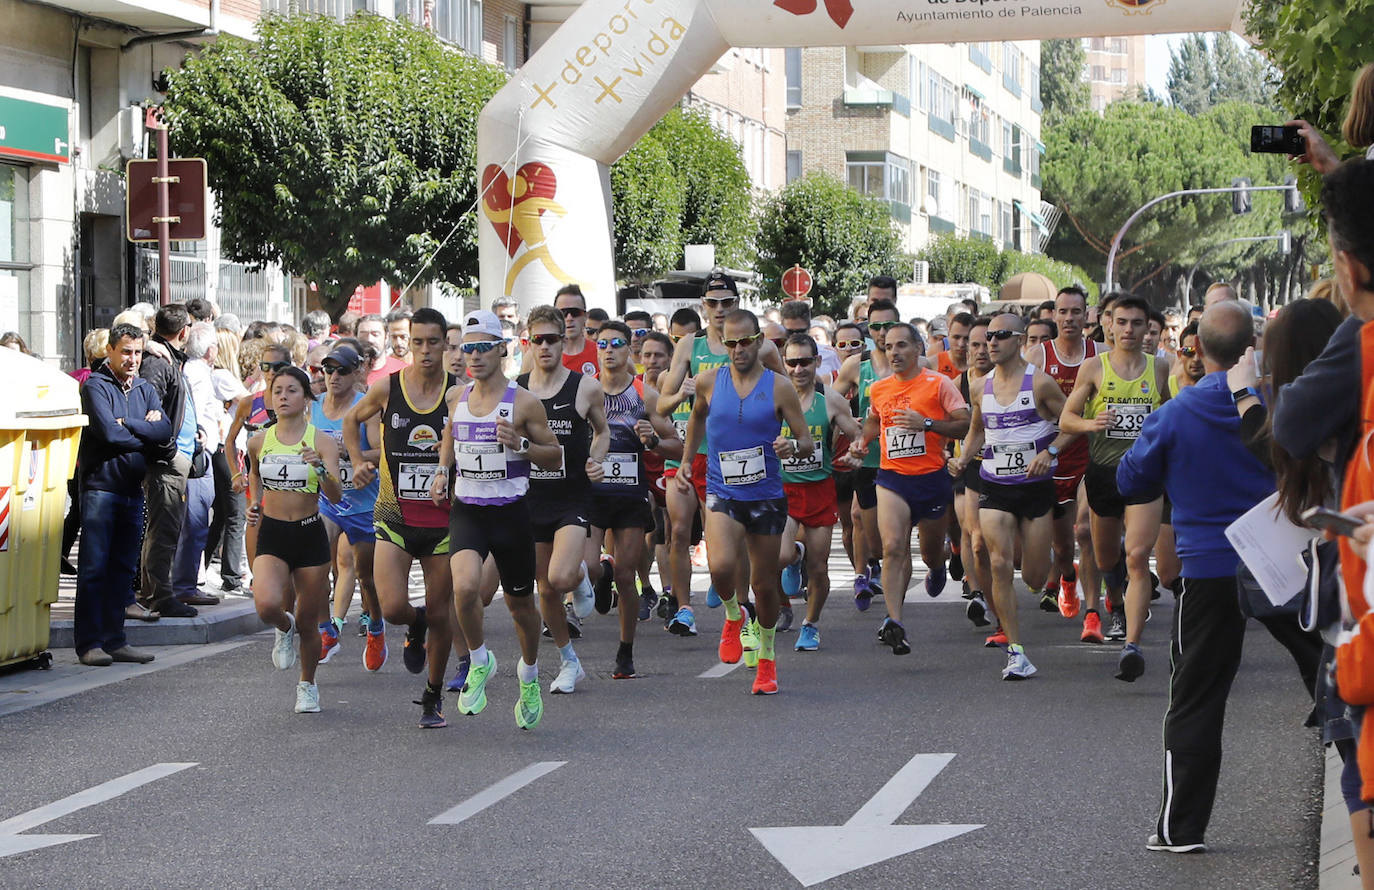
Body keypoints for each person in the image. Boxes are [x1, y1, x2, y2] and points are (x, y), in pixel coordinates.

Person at [1117, 301, 1319, 853]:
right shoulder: (1276, 403)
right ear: (1252, 346)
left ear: (1197, 350)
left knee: (1196, 697)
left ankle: (1181, 829)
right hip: (1285, 560)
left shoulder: (1177, 412)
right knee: (1327, 670)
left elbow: (1131, 480)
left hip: (1207, 567)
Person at [433, 309, 565, 730]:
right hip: (469, 508)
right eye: (465, 348)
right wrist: (441, 471)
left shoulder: (524, 402)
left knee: (521, 605)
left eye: (481, 348)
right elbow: (450, 440)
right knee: (465, 587)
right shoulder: (457, 397)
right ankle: (479, 659)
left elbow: (555, 455)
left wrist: (522, 444)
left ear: (501, 351)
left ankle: (528, 674)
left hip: (511, 511)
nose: (472, 356)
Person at [677, 309, 814, 694]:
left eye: (745, 341)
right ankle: (734, 616)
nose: (738, 349)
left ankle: (767, 659)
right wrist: (687, 460)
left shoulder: (778, 386)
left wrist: (791, 446)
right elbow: (696, 420)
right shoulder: (708, 382)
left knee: (764, 585)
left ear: (759, 342)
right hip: (723, 491)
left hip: (766, 496)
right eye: (730, 342)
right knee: (720, 567)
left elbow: (805, 441)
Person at [344, 309, 457, 726]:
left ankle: (433, 695)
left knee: (444, 611)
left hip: (444, 521)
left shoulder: (458, 393)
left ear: (446, 343)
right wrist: (356, 460)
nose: (425, 351)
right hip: (394, 515)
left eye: (433, 342)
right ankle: (416, 623)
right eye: (418, 342)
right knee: (392, 607)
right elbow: (350, 419)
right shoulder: (387, 388)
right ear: (408, 343)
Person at [656, 271, 785, 635]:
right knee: (679, 529)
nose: (719, 309)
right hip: (691, 453)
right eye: (712, 303)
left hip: (742, 457)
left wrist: (785, 440)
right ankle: (683, 608)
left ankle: (741, 607)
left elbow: (790, 397)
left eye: (727, 302)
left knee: (737, 543)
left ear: (738, 304)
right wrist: (684, 392)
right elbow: (662, 406)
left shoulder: (763, 348)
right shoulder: (688, 346)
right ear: (703, 306)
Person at [952, 314, 1071, 679]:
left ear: (1020, 340)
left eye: (1001, 336)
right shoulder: (979, 387)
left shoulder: (1042, 384)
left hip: (1035, 488)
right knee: (1000, 562)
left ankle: (1048, 559)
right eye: (988, 336)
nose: (991, 343)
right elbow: (976, 431)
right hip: (994, 484)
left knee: (1033, 578)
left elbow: (1072, 424)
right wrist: (961, 458)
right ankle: (1016, 651)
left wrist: (1049, 453)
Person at [1061, 294, 1171, 680]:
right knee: (1108, 558)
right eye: (1121, 322)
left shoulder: (1160, 369)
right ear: (1109, 325)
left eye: (1136, 323)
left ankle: (1132, 646)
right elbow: (1066, 418)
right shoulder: (1094, 368)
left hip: (1144, 475)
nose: (1128, 330)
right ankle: (1118, 598)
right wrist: (1091, 424)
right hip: (1104, 473)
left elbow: (1173, 415)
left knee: (1139, 557)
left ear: (1147, 329)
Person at [848, 322, 970, 655]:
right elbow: (875, 419)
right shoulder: (880, 388)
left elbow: (964, 424)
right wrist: (863, 440)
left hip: (931, 479)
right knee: (892, 547)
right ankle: (894, 621)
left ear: (918, 349)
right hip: (893, 477)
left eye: (902, 345)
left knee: (930, 551)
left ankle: (937, 564)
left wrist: (927, 424)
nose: (895, 352)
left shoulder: (939, 384)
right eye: (889, 347)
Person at [516, 305, 609, 694]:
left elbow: (602, 432)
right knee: (546, 589)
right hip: (531, 497)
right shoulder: (516, 388)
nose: (544, 347)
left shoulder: (584, 386)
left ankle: (584, 574)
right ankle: (569, 661)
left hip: (572, 496)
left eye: (552, 339)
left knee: (559, 577)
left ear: (563, 341)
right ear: (528, 342)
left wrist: (596, 460)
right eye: (537, 340)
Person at [245, 366, 344, 713]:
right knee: (267, 605)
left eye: (291, 391)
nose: (283, 397)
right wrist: (253, 505)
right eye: (278, 391)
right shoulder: (259, 440)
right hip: (272, 531)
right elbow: (254, 477)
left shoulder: (322, 440)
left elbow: (335, 493)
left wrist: (319, 467)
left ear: (306, 398)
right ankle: (282, 627)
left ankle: (307, 685)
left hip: (309, 532)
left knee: (309, 619)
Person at [589, 320, 682, 677]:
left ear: (630, 350)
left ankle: (625, 650)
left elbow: (678, 444)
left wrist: (654, 442)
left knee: (628, 578)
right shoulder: (586, 391)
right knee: (588, 567)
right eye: (602, 344)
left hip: (629, 494)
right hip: (592, 493)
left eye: (616, 343)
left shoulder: (645, 393)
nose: (609, 350)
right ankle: (603, 571)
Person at [73, 324, 169, 666]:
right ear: (110, 351)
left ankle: (116, 640)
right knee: (94, 569)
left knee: (123, 569)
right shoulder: (96, 386)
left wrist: (129, 425)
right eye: (126, 352)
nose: (132, 359)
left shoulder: (144, 387)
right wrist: (146, 431)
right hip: (101, 489)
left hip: (132, 489)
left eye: (138, 353)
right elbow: (108, 435)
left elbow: (165, 432)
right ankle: (89, 643)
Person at [1025, 285, 1102, 636]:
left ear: (1087, 315)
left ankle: (1093, 614)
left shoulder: (1099, 354)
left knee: (1085, 532)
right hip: (1049, 457)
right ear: (1053, 315)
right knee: (1061, 546)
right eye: (1063, 311)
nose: (1069, 318)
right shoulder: (1037, 357)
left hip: (1089, 455)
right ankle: (1067, 576)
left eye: (1076, 311)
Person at [777, 334, 861, 650]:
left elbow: (857, 434)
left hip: (819, 489)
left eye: (805, 362)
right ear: (784, 364)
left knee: (819, 567)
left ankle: (810, 624)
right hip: (782, 490)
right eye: (792, 362)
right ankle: (793, 558)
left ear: (816, 362)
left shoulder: (831, 400)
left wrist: (857, 449)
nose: (798, 369)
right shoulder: (773, 398)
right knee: (779, 555)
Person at [310, 344, 385, 671]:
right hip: (329, 500)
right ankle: (328, 630)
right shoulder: (313, 408)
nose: (334, 377)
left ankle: (377, 628)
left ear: (356, 373)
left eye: (342, 370)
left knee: (367, 578)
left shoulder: (364, 407)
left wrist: (349, 453)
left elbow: (382, 453)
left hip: (364, 503)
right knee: (314, 562)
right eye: (328, 370)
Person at [834, 300, 901, 610]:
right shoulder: (856, 365)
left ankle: (893, 603)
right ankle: (867, 570)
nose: (883, 332)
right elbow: (831, 402)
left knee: (898, 537)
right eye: (875, 327)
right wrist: (849, 419)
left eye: (888, 325)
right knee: (868, 530)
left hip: (906, 461)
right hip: (869, 458)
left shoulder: (917, 364)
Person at [137, 304, 199, 619]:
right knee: (163, 530)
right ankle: (159, 595)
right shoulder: (158, 362)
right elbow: (150, 409)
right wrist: (168, 449)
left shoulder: (168, 359)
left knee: (166, 529)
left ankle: (158, 592)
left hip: (175, 457)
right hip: (166, 462)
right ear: (184, 331)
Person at [172, 322, 225, 608]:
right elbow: (194, 414)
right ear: (210, 349)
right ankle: (185, 585)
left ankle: (184, 582)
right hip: (197, 456)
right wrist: (199, 437)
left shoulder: (191, 370)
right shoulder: (198, 374)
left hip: (196, 453)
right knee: (195, 520)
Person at [554, 285, 599, 377]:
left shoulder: (601, 353)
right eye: (563, 313)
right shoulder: (539, 355)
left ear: (585, 317)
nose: (569, 318)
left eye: (575, 313)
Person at [357, 314, 408, 384]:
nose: (369, 339)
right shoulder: (347, 372)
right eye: (364, 335)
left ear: (386, 337)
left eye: (375, 334)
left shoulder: (403, 372)